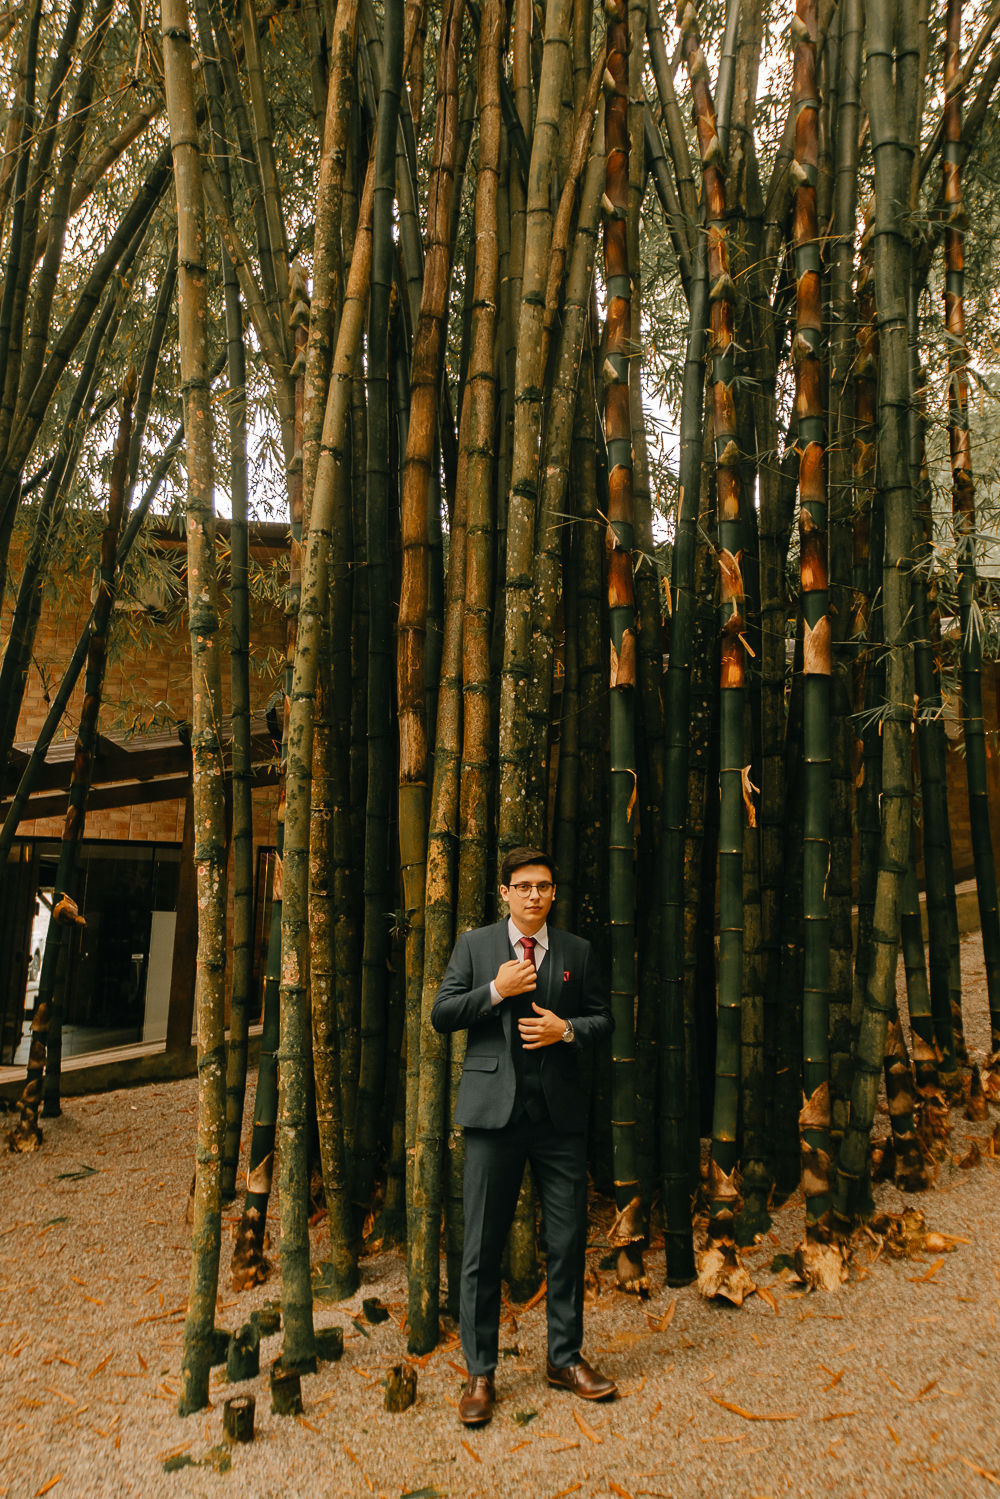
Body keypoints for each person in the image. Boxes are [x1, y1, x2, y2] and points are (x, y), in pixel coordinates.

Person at [432, 846, 617, 1427]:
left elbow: (603, 1018)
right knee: (482, 1249)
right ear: (505, 893)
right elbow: (442, 1013)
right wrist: (495, 990)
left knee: (565, 1242)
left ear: (553, 894)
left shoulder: (577, 952)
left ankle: (564, 1358)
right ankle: (480, 1372)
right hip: (494, 1119)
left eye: (543, 885)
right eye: (523, 886)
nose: (534, 894)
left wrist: (567, 1030)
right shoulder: (476, 946)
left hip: (558, 1119)